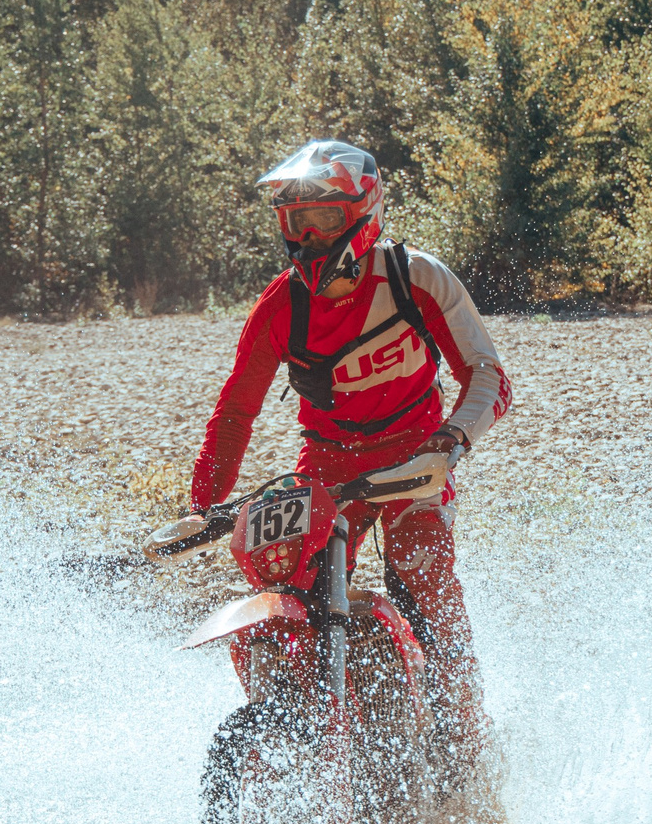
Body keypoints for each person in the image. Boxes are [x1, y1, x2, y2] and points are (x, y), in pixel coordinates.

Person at [190, 139, 512, 750]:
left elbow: (489, 377)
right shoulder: (280, 306)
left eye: (324, 220)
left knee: (422, 561)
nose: (308, 238)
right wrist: (202, 504)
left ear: (363, 214)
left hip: (415, 455)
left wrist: (447, 445)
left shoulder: (415, 277)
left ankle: (465, 734)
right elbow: (236, 411)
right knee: (284, 574)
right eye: (296, 223)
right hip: (327, 462)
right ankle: (299, 718)